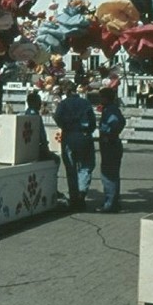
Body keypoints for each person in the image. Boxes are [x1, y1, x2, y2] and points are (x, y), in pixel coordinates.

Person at [53, 79, 96, 211]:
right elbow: (92, 120)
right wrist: (89, 131)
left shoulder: (63, 104)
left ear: (65, 91)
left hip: (69, 135)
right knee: (86, 165)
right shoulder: (85, 103)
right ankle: (82, 192)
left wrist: (65, 126)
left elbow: (57, 118)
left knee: (70, 167)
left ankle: (73, 197)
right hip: (84, 135)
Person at [97, 87, 126, 213]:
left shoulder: (110, 111)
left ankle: (110, 203)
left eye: (101, 97)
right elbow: (122, 122)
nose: (100, 99)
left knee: (108, 174)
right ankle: (114, 201)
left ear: (106, 98)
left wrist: (109, 135)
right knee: (113, 174)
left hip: (110, 143)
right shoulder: (113, 109)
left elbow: (115, 123)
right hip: (113, 143)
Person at [25, 90, 59, 164]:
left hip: (35, 146)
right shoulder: (33, 116)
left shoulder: (30, 113)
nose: (40, 104)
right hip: (38, 147)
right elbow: (39, 133)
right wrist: (44, 145)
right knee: (56, 159)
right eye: (39, 101)